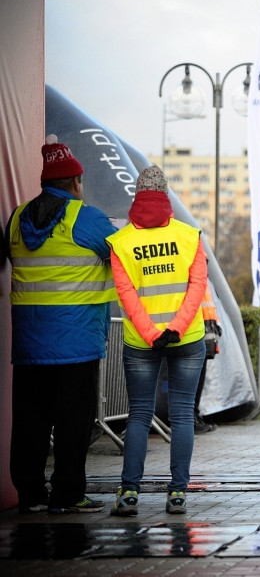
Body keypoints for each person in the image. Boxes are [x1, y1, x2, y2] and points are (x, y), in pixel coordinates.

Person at [5, 135, 116, 514]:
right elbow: (123, 254)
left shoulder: (16, 219)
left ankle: (31, 496)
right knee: (73, 423)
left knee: (30, 422)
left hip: (28, 344)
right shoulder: (86, 218)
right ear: (75, 182)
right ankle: (67, 495)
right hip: (77, 343)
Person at [106, 166, 208, 517]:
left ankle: (128, 493)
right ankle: (177, 493)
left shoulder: (121, 242)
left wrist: (151, 333)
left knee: (139, 415)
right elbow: (198, 287)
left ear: (137, 196)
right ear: (165, 196)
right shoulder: (189, 236)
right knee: (182, 415)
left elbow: (126, 295)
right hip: (187, 338)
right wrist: (176, 328)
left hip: (141, 343)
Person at [194, 285, 222, 434]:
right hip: (194, 334)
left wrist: (216, 326)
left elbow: (208, 306)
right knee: (193, 381)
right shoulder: (195, 275)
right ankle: (191, 417)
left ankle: (194, 415)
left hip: (204, 333)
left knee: (199, 379)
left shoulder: (203, 279)